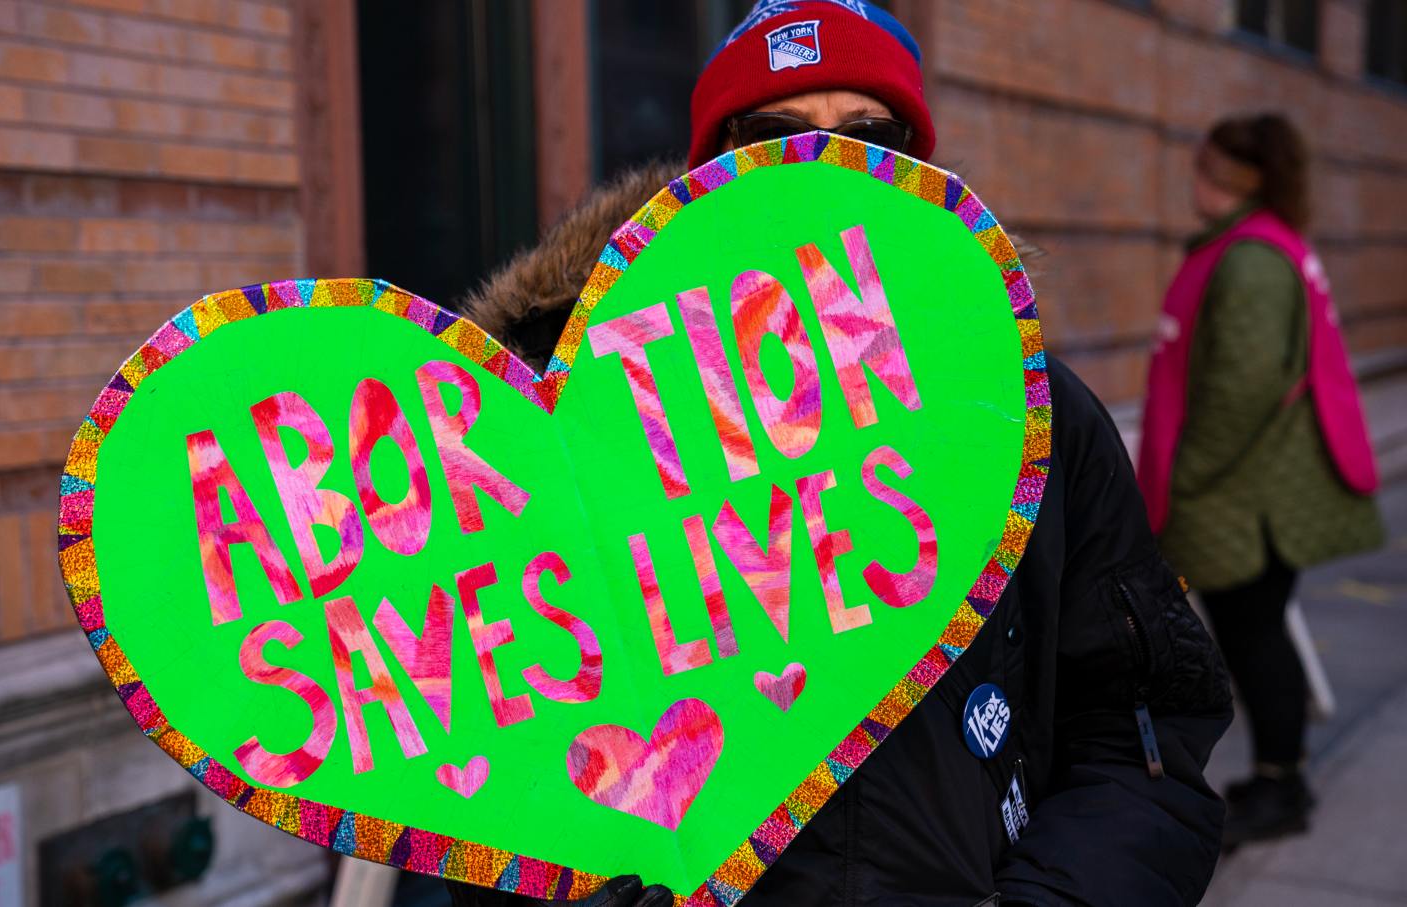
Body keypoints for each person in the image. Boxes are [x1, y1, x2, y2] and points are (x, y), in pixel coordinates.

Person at [450, 2, 1232, 904]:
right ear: (710, 177)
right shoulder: (581, 440)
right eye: (771, 136)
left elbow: (1139, 742)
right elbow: (498, 772)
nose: (822, 167)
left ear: (918, 171)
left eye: (872, 136)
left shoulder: (1029, 419)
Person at [1137, 114, 1383, 851]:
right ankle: (1282, 775)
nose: (1193, 179)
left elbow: (1238, 393)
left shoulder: (1248, 260)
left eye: (1206, 167)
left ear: (1237, 179)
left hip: (1245, 502)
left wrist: (1185, 480)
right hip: (1252, 493)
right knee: (1256, 633)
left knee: (1256, 638)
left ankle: (1281, 786)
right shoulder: (1256, 246)